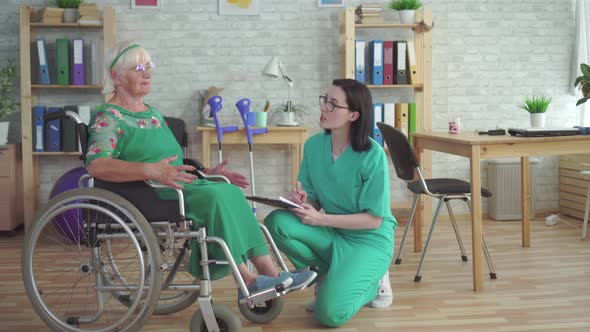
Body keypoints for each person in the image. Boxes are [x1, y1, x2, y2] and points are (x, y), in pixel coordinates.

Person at [85, 40, 316, 300]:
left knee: (228, 191)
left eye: (149, 66)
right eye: (138, 67)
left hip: (176, 184)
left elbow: (170, 160)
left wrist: (206, 170)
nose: (147, 72)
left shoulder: (151, 113)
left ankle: (271, 273)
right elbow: (97, 165)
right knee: (218, 197)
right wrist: (152, 171)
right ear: (116, 76)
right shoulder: (108, 117)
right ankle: (248, 281)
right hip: (149, 192)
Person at [264, 79, 396, 327]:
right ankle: (326, 276)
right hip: (333, 233)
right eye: (325, 100)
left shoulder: (372, 155)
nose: (324, 108)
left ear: (354, 115)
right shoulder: (314, 146)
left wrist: (321, 218)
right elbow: (313, 198)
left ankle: (375, 283)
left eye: (333, 104)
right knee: (277, 222)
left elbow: (374, 220)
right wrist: (303, 201)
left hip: (369, 241)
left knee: (329, 315)